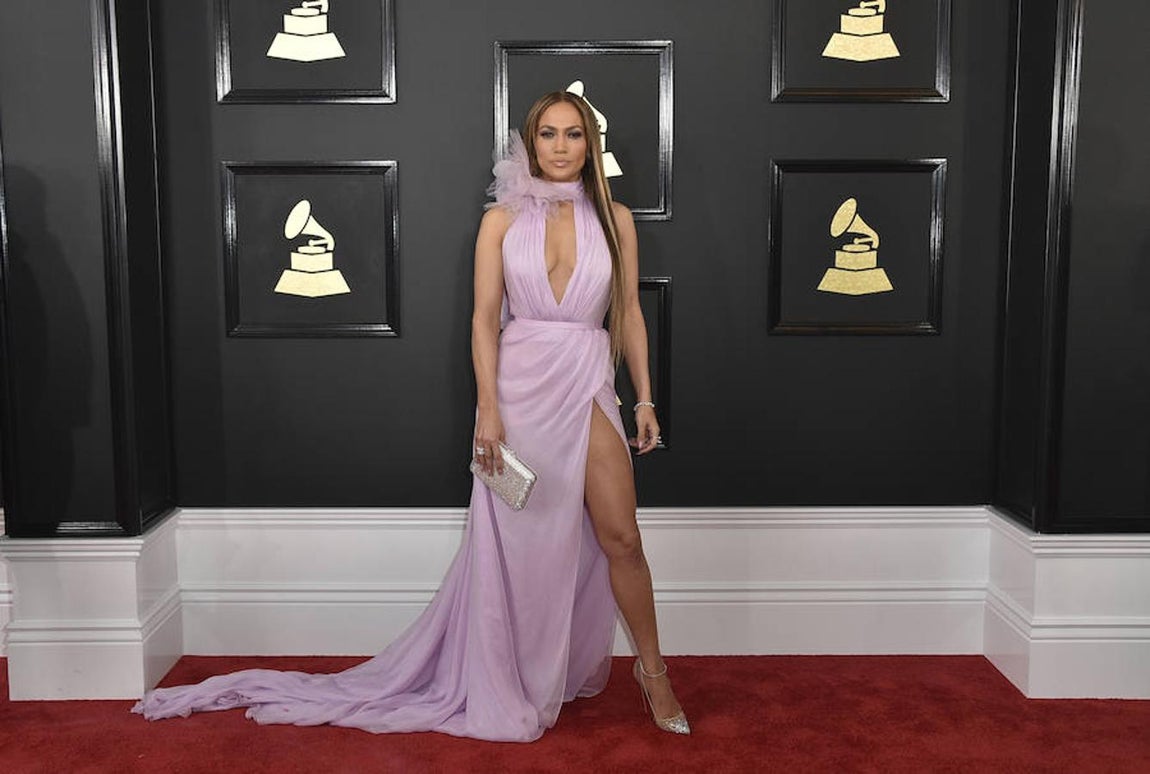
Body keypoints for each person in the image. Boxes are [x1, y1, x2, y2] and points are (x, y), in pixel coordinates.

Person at [132, 91, 688, 742]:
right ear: (529, 143)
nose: (562, 147)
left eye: (573, 135)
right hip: (519, 392)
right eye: (548, 134)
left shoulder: (616, 218)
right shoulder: (501, 222)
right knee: (521, 550)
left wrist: (645, 397)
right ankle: (515, 673)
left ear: (591, 145)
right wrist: (488, 412)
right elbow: (484, 320)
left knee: (621, 538)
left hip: (587, 382)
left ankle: (654, 674)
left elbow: (626, 312)